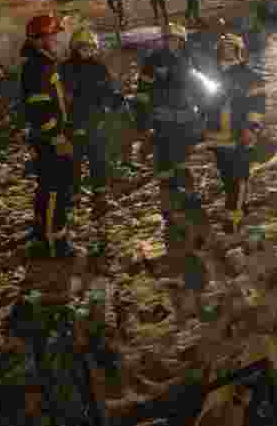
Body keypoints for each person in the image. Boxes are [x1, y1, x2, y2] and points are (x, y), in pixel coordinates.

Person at [134, 23, 204, 228]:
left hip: (185, 121)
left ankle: (190, 197)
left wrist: (205, 114)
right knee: (164, 165)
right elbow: (142, 93)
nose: (170, 43)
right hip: (162, 123)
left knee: (183, 161)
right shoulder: (152, 61)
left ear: (182, 41)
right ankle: (168, 206)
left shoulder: (188, 60)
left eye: (174, 39)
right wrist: (143, 124)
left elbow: (198, 87)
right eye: (167, 39)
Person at [20, 14, 75, 257]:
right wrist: (57, 136)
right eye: (53, 35)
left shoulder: (43, 62)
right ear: (41, 39)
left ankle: (43, 233)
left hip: (45, 138)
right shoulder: (38, 66)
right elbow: (39, 108)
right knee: (57, 188)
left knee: (46, 186)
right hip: (49, 139)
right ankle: (56, 243)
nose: (56, 39)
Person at [203, 33, 269, 232]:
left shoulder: (251, 77)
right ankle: (239, 204)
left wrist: (252, 128)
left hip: (240, 136)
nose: (228, 52)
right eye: (224, 49)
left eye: (232, 48)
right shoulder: (212, 75)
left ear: (240, 51)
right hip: (217, 138)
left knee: (239, 176)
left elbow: (258, 106)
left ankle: (234, 217)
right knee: (227, 177)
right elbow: (206, 105)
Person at [61, 28, 125, 221]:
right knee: (74, 162)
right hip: (74, 121)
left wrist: (116, 99)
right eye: (83, 47)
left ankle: (100, 196)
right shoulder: (66, 68)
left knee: (98, 160)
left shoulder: (99, 67)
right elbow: (65, 96)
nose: (87, 51)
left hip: (95, 121)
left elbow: (107, 88)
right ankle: (73, 198)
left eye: (90, 47)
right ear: (75, 47)